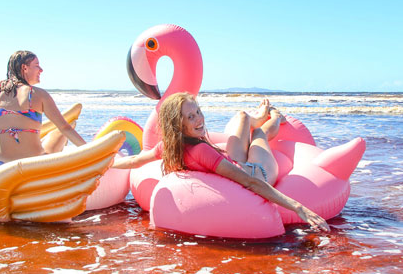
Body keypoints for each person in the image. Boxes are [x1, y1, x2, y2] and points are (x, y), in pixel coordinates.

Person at [113, 92, 330, 232]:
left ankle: (262, 114)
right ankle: (275, 118)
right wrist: (299, 208)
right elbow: (251, 183)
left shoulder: (170, 147)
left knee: (243, 117)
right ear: (177, 125)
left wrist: (109, 165)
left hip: (236, 163)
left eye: (198, 111)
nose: (199, 119)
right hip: (258, 171)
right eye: (191, 117)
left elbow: (135, 159)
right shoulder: (200, 151)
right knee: (259, 136)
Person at [0, 50, 86, 168]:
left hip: (0, 166)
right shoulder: (38, 94)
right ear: (24, 68)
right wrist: (92, 153)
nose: (41, 69)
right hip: (35, 165)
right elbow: (65, 128)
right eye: (37, 65)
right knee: (63, 131)